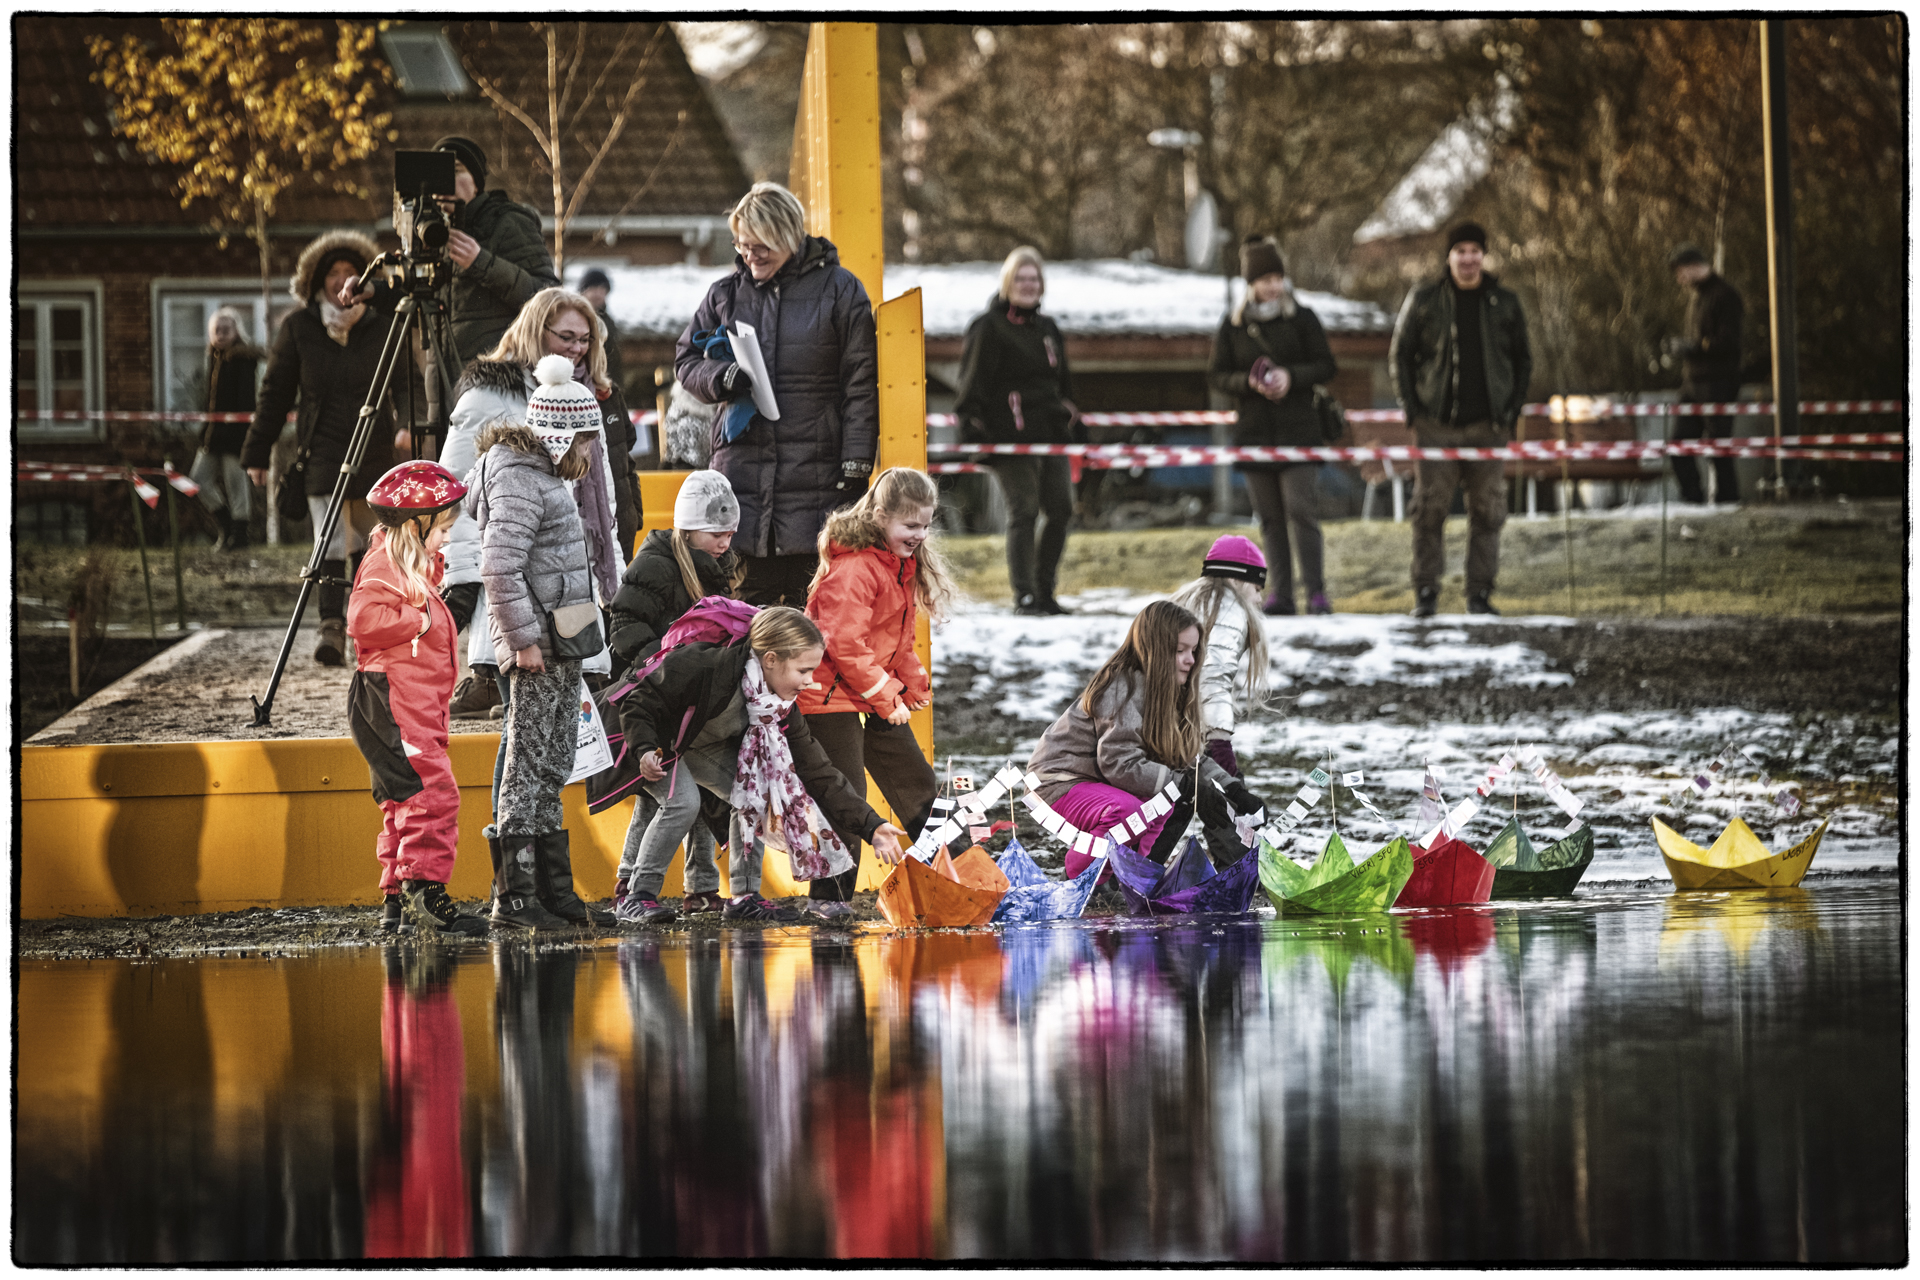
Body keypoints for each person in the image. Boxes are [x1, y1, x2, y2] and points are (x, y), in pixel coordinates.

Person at [618, 606, 912, 922]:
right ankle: (637, 897)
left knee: (755, 793)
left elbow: (819, 772)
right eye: (803, 671)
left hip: (704, 746)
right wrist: (645, 749)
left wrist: (871, 825)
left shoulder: (779, 706)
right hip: (655, 743)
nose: (810, 682)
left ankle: (744, 897)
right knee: (683, 803)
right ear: (770, 660)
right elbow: (638, 703)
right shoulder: (706, 664)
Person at [467, 355, 619, 930]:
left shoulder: (543, 475)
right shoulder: (519, 477)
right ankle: (516, 896)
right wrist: (524, 641)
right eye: (585, 443)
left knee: (554, 760)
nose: (588, 456)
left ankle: (555, 892)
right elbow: (500, 568)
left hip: (564, 639)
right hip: (539, 646)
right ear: (560, 434)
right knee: (526, 764)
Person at [675, 182, 878, 608]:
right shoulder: (724, 294)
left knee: (817, 616)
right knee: (745, 616)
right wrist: (722, 376)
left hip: (818, 475)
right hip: (743, 476)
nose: (750, 255)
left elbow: (860, 381)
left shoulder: (841, 290)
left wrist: (856, 462)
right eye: (742, 245)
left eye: (760, 245)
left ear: (788, 235)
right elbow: (686, 360)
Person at [442, 287, 636, 720]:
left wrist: (613, 561)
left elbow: (599, 490)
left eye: (585, 339)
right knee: (529, 728)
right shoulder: (488, 398)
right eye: (566, 337)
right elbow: (459, 492)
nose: (577, 348)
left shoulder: (585, 394)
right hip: (517, 573)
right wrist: (461, 577)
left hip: (571, 568)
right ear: (535, 330)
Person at [796, 467, 950, 920]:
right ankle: (828, 901)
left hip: (869, 689)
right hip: (827, 694)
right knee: (845, 790)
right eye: (911, 525)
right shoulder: (855, 568)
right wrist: (887, 694)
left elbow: (894, 636)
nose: (920, 535)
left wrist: (911, 676)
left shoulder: (898, 563)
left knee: (915, 779)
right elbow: (842, 643)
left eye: (926, 525)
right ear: (881, 517)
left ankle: (957, 872)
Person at [346, 460, 489, 939]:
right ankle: (424, 893)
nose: (447, 537)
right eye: (442, 529)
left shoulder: (408, 563)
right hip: (395, 701)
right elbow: (362, 619)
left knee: (401, 800)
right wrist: (418, 621)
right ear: (414, 525)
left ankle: (397, 898)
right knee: (433, 794)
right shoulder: (385, 566)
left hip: (412, 702)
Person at [244, 230, 400, 666]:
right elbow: (274, 392)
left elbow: (405, 386)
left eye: (352, 272)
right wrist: (258, 452)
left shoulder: (383, 326)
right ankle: (331, 628)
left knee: (371, 546)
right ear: (317, 280)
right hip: (322, 450)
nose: (343, 280)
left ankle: (369, 628)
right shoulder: (299, 327)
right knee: (330, 542)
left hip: (374, 449)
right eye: (334, 272)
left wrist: (408, 429)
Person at [1027, 600, 1265, 879]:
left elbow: (1187, 757)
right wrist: (1184, 785)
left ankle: (1132, 875)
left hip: (1100, 784)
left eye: (1194, 650)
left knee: (1166, 802)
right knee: (1130, 811)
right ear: (1154, 651)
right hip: (1059, 782)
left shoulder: (1171, 693)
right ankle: (1087, 877)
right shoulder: (1124, 687)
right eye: (1179, 651)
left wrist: (1234, 791)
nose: (1190, 659)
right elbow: (1119, 763)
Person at [608, 469, 743, 924]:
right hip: (654, 699)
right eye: (715, 533)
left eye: (730, 533)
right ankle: (634, 886)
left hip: (691, 702)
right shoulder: (653, 567)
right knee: (674, 798)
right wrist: (666, 672)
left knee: (682, 798)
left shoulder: (715, 568)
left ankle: (699, 887)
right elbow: (625, 631)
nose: (724, 542)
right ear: (687, 529)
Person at [1390, 220, 1533, 618]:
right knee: (1429, 510)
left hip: (1488, 425)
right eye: (1460, 251)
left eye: (1474, 250)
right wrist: (1412, 410)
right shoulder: (1424, 299)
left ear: (1483, 256)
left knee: (1488, 511)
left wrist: (1510, 411)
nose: (1468, 258)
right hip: (1436, 425)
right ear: (1449, 256)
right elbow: (1400, 354)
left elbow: (1524, 359)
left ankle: (1480, 594)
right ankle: (1425, 593)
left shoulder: (1504, 302)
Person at [1208, 236, 1338, 616]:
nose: (1272, 285)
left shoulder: (1303, 318)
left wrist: (1290, 377)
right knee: (1270, 518)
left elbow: (1326, 366)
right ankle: (1281, 593)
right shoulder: (1232, 326)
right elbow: (1217, 376)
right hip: (1254, 432)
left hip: (1299, 431)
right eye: (1264, 278)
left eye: (1277, 277)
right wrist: (1246, 383)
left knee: (1301, 509)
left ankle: (1316, 591)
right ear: (1251, 283)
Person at [953, 245, 1080, 616]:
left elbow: (1063, 384)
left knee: (1061, 509)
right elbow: (971, 383)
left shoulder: (1049, 329)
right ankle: (1023, 594)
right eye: (1021, 278)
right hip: (1007, 436)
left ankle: (1045, 591)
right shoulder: (988, 327)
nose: (1028, 285)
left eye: (1034, 278)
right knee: (1023, 510)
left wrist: (1074, 420)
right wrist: (972, 429)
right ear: (1008, 282)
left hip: (1050, 433)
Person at [1170, 536, 1274, 867]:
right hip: (1199, 733)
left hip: (1165, 725)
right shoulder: (1229, 610)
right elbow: (1213, 679)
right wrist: (1219, 742)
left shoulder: (1186, 601)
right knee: (1220, 796)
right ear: (1238, 578)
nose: (1259, 596)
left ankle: (1140, 868)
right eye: (1257, 585)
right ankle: (1240, 871)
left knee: (1177, 797)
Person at [428, 136, 562, 367]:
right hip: (442, 376)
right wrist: (372, 290)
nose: (445, 180)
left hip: (494, 374)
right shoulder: (432, 233)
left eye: (456, 170)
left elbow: (548, 297)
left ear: (476, 182)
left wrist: (480, 262)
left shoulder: (507, 221)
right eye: (438, 172)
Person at [1666, 244, 1745, 505]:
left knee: (1718, 446)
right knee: (1678, 444)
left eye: (1681, 272)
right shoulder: (1698, 297)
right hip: (1693, 382)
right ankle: (1693, 500)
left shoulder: (1725, 296)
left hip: (1718, 381)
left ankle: (1727, 500)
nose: (1680, 279)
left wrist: (1696, 348)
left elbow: (1730, 342)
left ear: (1692, 266)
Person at [189, 307, 264, 552]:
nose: (220, 334)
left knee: (236, 486)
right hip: (213, 432)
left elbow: (246, 402)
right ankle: (227, 526)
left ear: (236, 331)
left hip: (236, 433)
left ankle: (239, 536)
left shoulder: (242, 359)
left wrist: (245, 434)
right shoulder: (213, 357)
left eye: (226, 329)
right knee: (198, 481)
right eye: (216, 330)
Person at [578, 267, 626, 393]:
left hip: (608, 384)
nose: (598, 293)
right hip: (583, 385)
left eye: (602, 289)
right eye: (594, 288)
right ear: (583, 291)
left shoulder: (609, 322)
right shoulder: (575, 319)